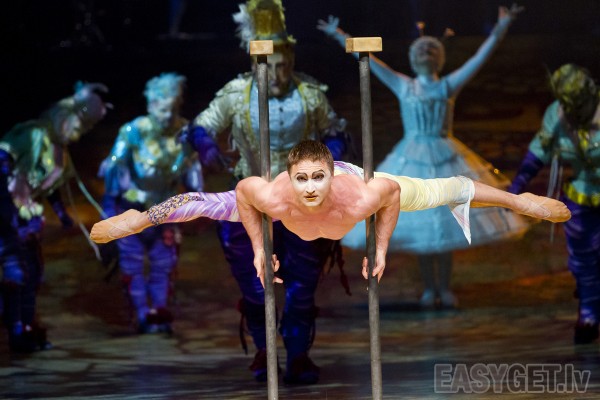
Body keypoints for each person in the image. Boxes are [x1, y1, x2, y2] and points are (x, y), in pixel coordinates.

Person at [90, 140, 570, 279]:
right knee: (200, 205)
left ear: (330, 175)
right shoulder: (272, 195)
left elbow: (392, 196)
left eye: (317, 178)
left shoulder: (363, 193)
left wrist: (380, 249)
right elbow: (243, 194)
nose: (310, 188)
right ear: (290, 177)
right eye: (302, 179)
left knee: (448, 188)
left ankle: (519, 201)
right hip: (281, 212)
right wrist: (259, 249)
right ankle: (140, 218)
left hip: (360, 187)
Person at [178, 0, 349, 384]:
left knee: (302, 286)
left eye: (285, 65)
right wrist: (206, 146)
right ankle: (264, 350)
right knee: (256, 286)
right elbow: (202, 125)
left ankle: (298, 355)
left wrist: (329, 159)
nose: (280, 73)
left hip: (301, 203)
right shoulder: (237, 94)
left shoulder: (308, 94)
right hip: (252, 202)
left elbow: (336, 130)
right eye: (273, 66)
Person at [317, 4, 528, 310]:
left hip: (445, 156)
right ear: (413, 58)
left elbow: (479, 59)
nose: (426, 54)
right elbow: (370, 62)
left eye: (431, 51)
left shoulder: (447, 85)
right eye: (421, 51)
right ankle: (430, 287)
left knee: (447, 225)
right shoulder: (405, 85)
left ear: (439, 57)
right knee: (424, 229)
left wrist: (502, 26)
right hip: (412, 157)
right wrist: (339, 35)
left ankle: (444, 287)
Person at [0, 81, 108, 351]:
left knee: (33, 272)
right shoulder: (34, 133)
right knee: (16, 270)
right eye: (79, 125)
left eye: (85, 128)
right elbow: (5, 153)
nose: (79, 133)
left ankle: (26, 325)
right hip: (7, 213)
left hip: (27, 217)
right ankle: (15, 329)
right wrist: (8, 195)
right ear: (64, 116)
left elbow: (51, 188)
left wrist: (62, 213)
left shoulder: (60, 153)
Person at [98, 72, 204, 334]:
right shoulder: (133, 132)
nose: (167, 116)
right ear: (151, 105)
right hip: (131, 208)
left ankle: (159, 311)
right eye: (162, 109)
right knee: (132, 264)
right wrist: (109, 210)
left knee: (164, 264)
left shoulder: (184, 133)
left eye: (172, 109)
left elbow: (193, 172)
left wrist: (198, 203)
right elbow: (114, 168)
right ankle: (141, 313)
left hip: (166, 211)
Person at [508, 64, 600, 345]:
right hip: (582, 194)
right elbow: (541, 151)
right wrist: (518, 185)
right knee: (583, 257)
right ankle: (589, 311)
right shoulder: (557, 116)